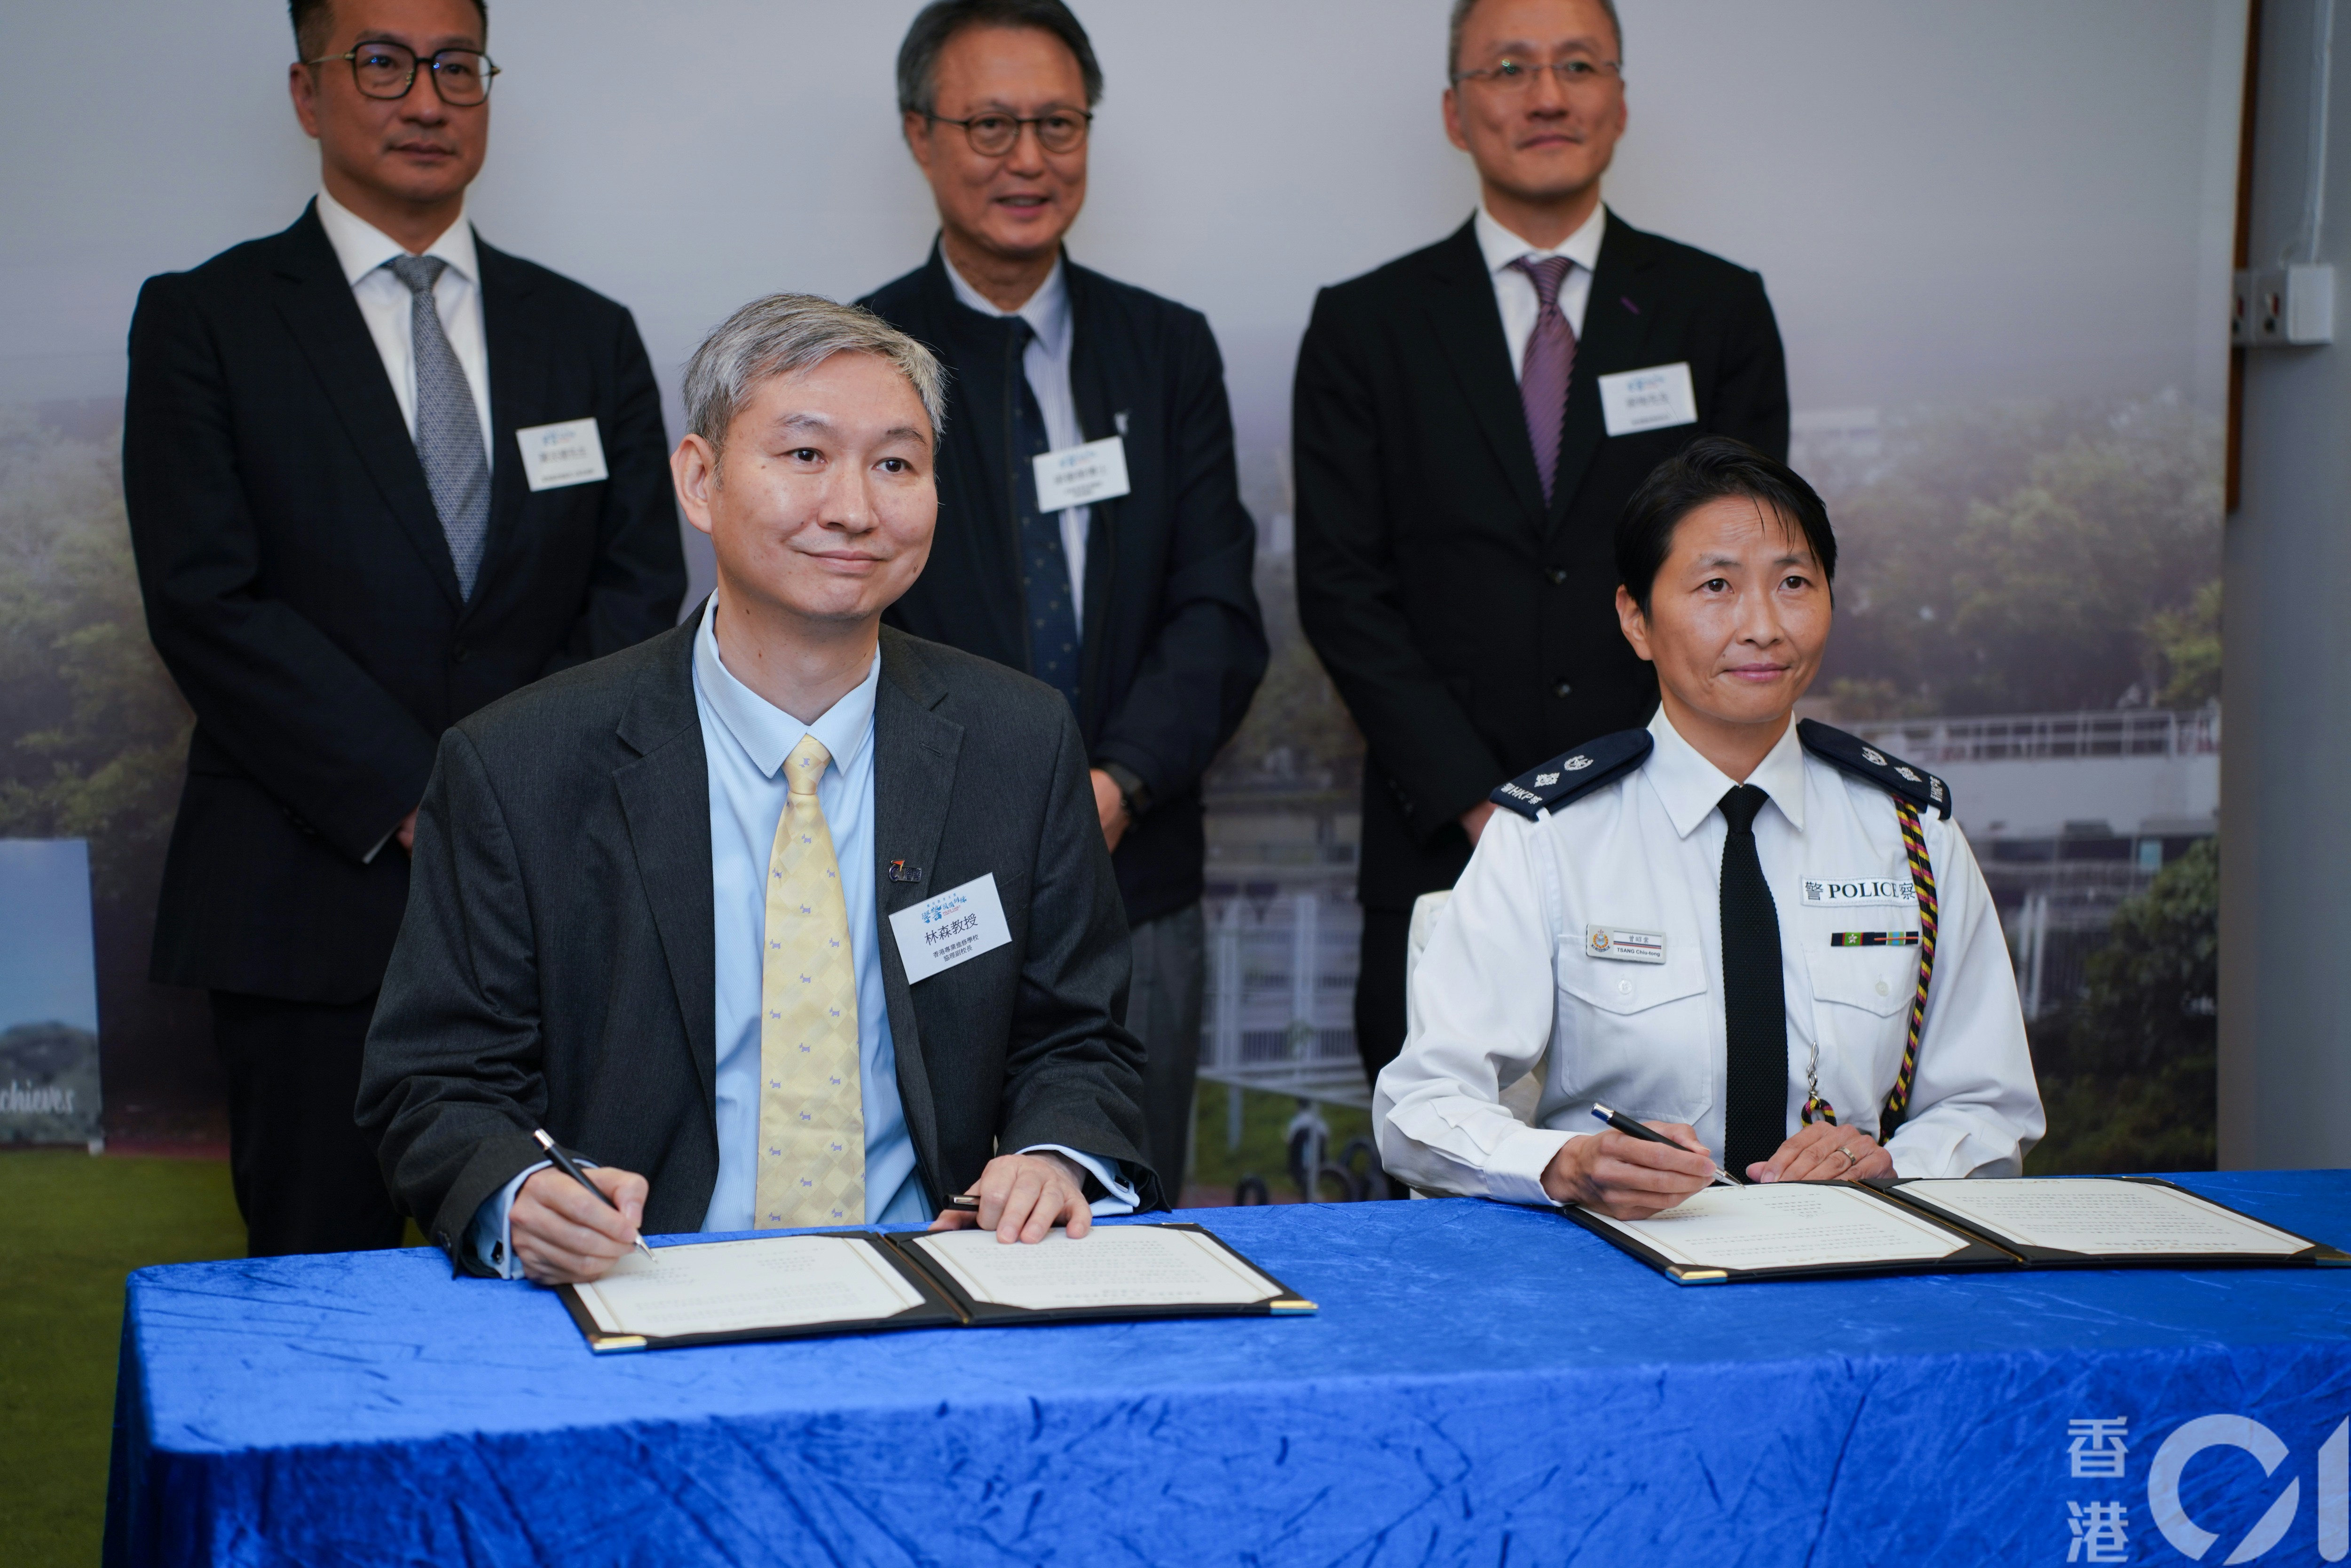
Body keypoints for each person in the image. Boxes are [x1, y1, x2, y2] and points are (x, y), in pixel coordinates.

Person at [358, 295, 1160, 1283]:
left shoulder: (1018, 742)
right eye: (805, 457)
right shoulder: (520, 764)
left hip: (939, 1284)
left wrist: (1052, 1150)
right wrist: (520, 1192)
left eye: (896, 464)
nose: (855, 509)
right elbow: (435, 1083)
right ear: (699, 481)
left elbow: (1080, 1040)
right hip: (643, 1285)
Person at [123, 0, 685, 1257]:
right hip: (311, 907)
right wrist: (427, 795)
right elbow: (207, 602)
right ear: (306, 89)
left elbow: (638, 589)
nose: (425, 99)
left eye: (455, 65)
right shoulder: (205, 322)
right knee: (323, 1300)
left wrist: (518, 793)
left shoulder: (585, 334)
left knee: (569, 1285)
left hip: (561, 906)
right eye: (380, 63)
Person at [1294, 0, 1790, 1092]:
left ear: (1619, 101)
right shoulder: (1364, 327)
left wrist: (1629, 801)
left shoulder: (1716, 312)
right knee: (1445, 1174)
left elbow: (1739, 579)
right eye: (1508, 68)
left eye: (1578, 65)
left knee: (1691, 1170)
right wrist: (1490, 808)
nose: (1547, 94)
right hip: (1442, 838)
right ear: (1454, 112)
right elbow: (1340, 588)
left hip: (1671, 827)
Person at [1375, 438, 2043, 1214]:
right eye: (1717, 586)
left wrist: (1893, 1161)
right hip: (1617, 1274)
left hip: (1856, 1261)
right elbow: (1419, 1110)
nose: (1762, 625)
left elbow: (1992, 1109)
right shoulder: (1549, 836)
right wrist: (1565, 1164)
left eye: (1794, 582)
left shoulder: (1911, 834)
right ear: (1636, 620)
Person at [860, 0, 1267, 1197]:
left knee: (1128, 1213)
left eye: (1056, 123)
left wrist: (1116, 783)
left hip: (1135, 866)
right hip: (921, 870)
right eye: (989, 125)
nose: (1027, 160)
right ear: (919, 134)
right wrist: (1015, 802)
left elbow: (1216, 611)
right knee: (924, 1206)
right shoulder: (860, 356)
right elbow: (846, 614)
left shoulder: (1167, 349)